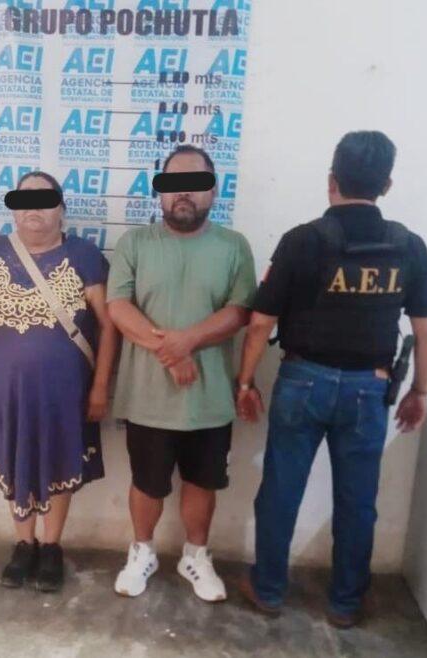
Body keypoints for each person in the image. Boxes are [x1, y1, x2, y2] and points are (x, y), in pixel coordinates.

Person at [236, 131, 427, 628]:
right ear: (386, 185)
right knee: (357, 501)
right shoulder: (408, 246)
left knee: (281, 489)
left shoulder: (301, 240)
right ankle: (346, 604)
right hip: (370, 389)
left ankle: (268, 590)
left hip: (301, 382)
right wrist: (420, 391)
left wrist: (244, 381)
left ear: (332, 180)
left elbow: (260, 323)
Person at [107, 145, 257, 602]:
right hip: (147, 396)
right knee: (146, 482)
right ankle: (142, 552)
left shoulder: (234, 246)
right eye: (174, 184)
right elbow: (118, 307)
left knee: (202, 481)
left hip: (209, 398)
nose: (183, 193)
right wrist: (171, 351)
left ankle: (196, 555)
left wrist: (187, 341)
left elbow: (240, 311)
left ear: (213, 190)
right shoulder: (135, 243)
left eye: (194, 183)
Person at [0, 171, 117, 593]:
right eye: (25, 200)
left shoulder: (84, 256)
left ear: (61, 209)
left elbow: (109, 325)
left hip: (66, 393)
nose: (34, 209)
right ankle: (23, 544)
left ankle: (51, 547)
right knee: (14, 458)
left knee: (60, 460)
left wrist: (101, 386)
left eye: (45, 201)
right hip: (4, 392)